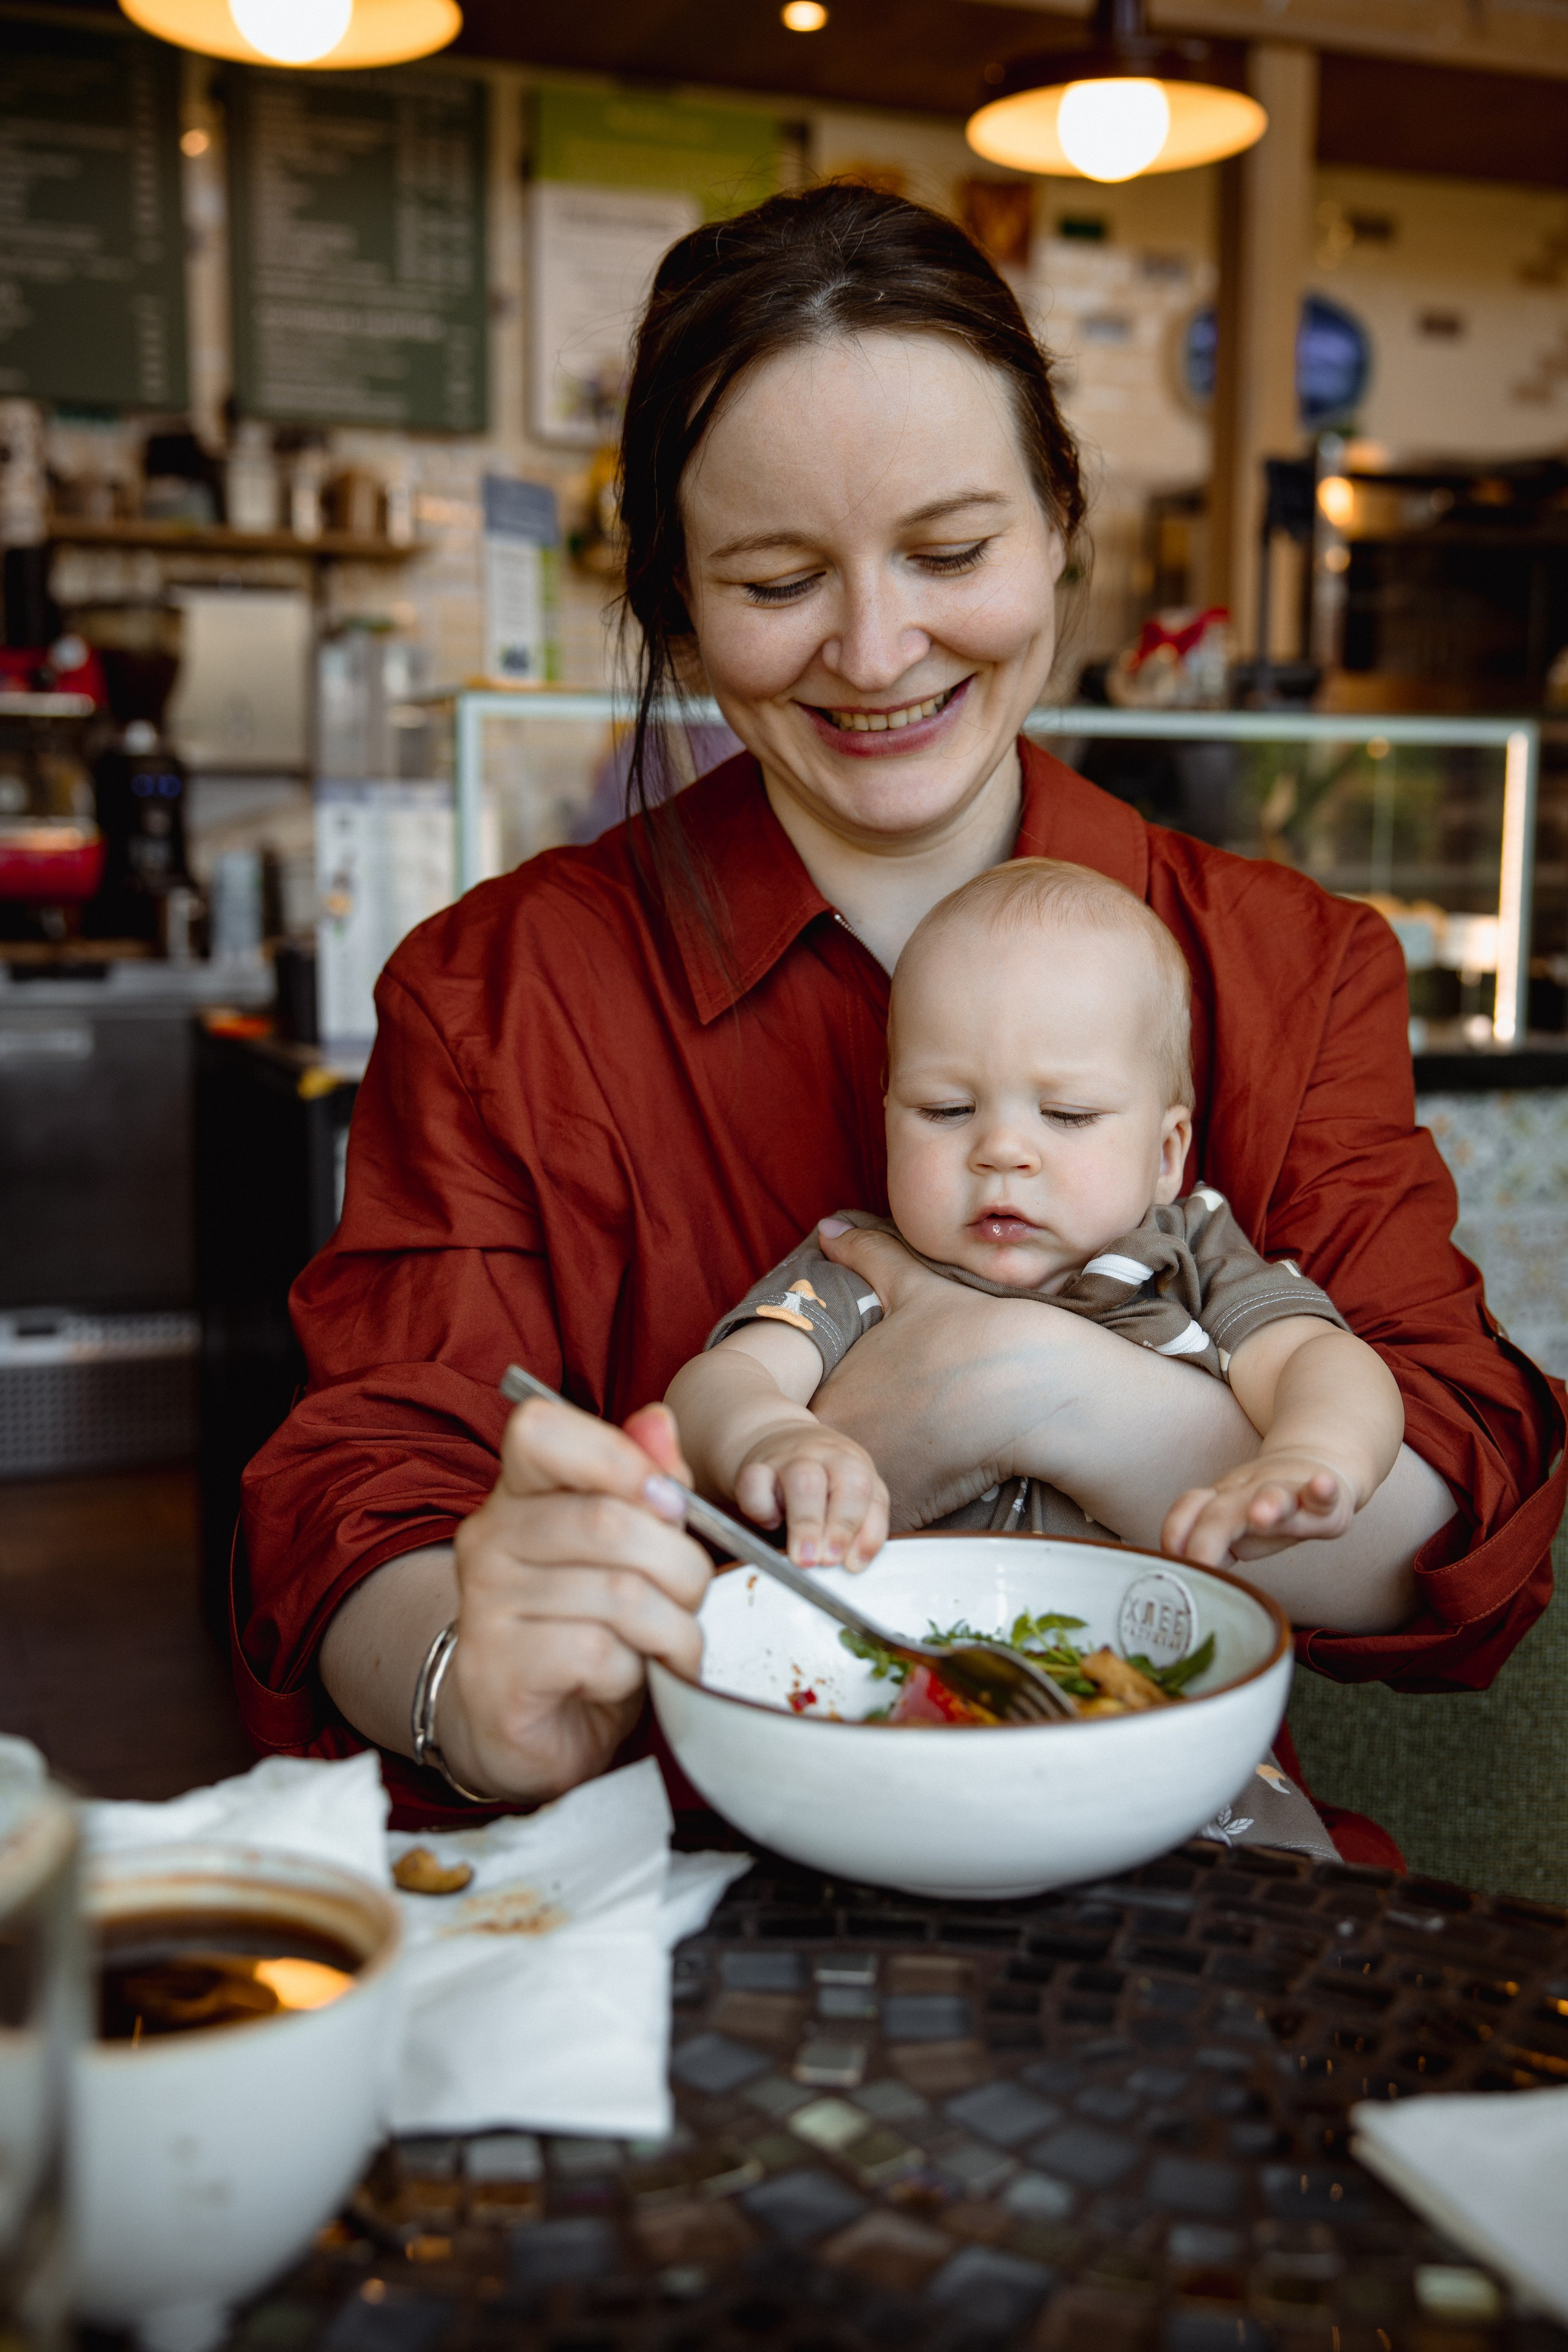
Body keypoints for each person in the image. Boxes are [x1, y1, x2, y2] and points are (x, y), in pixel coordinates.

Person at [236, 183, 1564, 1841]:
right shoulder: (509, 991)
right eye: (779, 577)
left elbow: (1444, 1533)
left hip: (1158, 1882)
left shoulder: (1284, 964)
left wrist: (1008, 1384)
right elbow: (367, 1494)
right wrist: (479, 1689)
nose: (878, 650)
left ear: (1061, 519)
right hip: (664, 1903)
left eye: (950, 552)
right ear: (674, 603)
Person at [668, 857, 1404, 1581]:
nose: (1002, 1151)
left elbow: (1316, 1358)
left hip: (1148, 1680)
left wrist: (1314, 1452)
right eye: (945, 1110)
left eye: (1067, 1114)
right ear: (887, 1119)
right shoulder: (864, 1268)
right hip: (899, 1676)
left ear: (1164, 1152)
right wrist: (769, 1433)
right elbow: (720, 1381)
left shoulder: (1188, 1250)